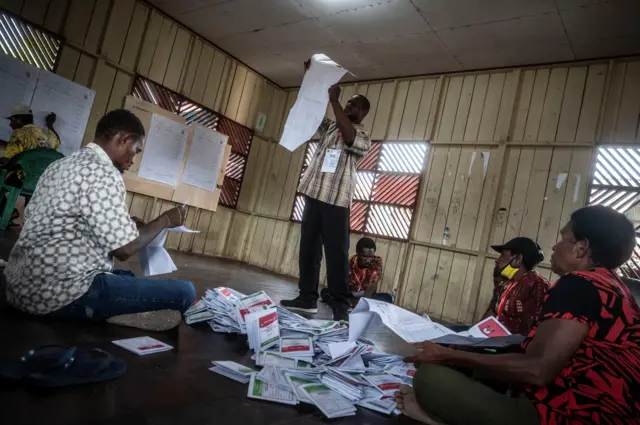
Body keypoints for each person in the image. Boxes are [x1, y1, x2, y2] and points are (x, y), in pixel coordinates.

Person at [395, 205, 640, 425]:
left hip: (570, 414)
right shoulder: (618, 290)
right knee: (476, 365)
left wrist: (446, 354)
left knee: (430, 378)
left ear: (580, 248)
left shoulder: (577, 285)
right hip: (608, 412)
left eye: (563, 238)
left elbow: (537, 369)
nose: (554, 246)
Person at [4, 109, 196, 331]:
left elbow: (67, 218)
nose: (133, 159)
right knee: (185, 292)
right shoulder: (104, 172)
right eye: (135, 150)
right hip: (60, 296)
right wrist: (165, 220)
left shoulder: (60, 164)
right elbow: (124, 249)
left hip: (20, 288)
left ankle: (120, 309)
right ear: (123, 139)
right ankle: (107, 313)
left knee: (126, 277)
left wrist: (128, 223)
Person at [281, 60, 371, 321]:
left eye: (354, 104)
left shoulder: (362, 135)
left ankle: (340, 303)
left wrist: (335, 101)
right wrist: (311, 79)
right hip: (313, 196)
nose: (349, 105)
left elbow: (349, 135)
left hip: (336, 202)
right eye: (348, 102)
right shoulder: (330, 127)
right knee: (308, 250)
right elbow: (311, 114)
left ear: (363, 112)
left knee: (336, 254)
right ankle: (307, 298)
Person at [483, 237, 550, 335]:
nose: (497, 260)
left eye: (502, 255)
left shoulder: (537, 285)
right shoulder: (505, 283)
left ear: (517, 259)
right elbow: (492, 313)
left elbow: (530, 329)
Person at [321, 237, 392, 307]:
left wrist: (362, 303)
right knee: (325, 292)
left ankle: (350, 304)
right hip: (349, 294)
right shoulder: (349, 262)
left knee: (387, 298)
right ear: (358, 254)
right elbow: (340, 283)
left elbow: (372, 284)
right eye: (365, 257)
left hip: (366, 296)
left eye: (371, 257)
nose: (368, 260)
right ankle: (348, 302)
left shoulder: (376, 261)